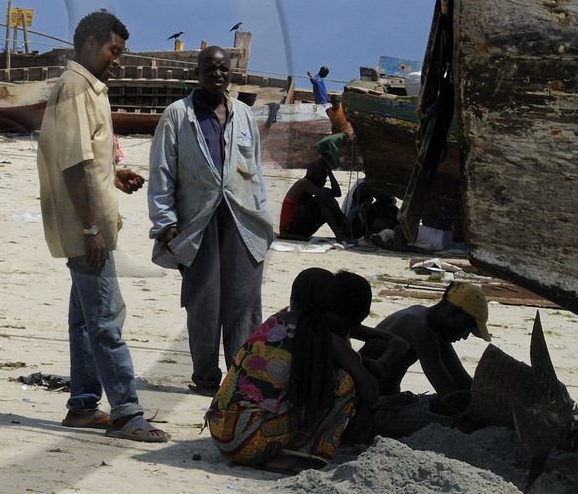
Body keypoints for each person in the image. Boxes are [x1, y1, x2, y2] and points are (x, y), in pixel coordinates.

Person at [37, 11, 165, 442]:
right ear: (91, 44)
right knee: (107, 318)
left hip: (91, 225)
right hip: (86, 230)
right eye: (114, 50)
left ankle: (83, 406)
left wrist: (113, 174)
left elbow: (88, 160)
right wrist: (91, 229)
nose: (118, 60)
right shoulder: (75, 88)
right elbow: (72, 165)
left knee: (85, 319)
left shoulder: (88, 88)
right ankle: (128, 413)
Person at [149, 46, 275, 396]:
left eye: (223, 68)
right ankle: (205, 379)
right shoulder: (177, 115)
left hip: (242, 221)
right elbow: (161, 171)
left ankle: (239, 381)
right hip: (198, 223)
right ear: (198, 73)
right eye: (210, 68)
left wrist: (263, 220)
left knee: (244, 303)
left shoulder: (244, 115)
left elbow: (255, 173)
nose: (218, 74)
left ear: (230, 73)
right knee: (203, 303)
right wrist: (165, 222)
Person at [205, 268, 384, 472]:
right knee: (344, 382)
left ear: (293, 296)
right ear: (330, 305)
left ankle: (279, 452)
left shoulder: (275, 321)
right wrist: (355, 432)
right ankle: (298, 454)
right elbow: (370, 390)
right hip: (250, 443)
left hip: (221, 431)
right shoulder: (324, 339)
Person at [365, 281, 490, 407]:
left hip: (383, 398)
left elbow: (460, 377)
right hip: (371, 404)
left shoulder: (427, 319)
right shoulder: (419, 328)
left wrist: (483, 398)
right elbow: (447, 393)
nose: (465, 336)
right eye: (466, 327)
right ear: (455, 312)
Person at [278, 157, 353, 241]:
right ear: (313, 175)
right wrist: (341, 216)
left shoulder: (312, 187)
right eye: (323, 177)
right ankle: (340, 235)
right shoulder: (303, 183)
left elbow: (337, 193)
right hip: (289, 231)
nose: (325, 181)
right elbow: (323, 197)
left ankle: (343, 233)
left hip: (300, 228)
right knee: (319, 200)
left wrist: (330, 172)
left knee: (326, 196)